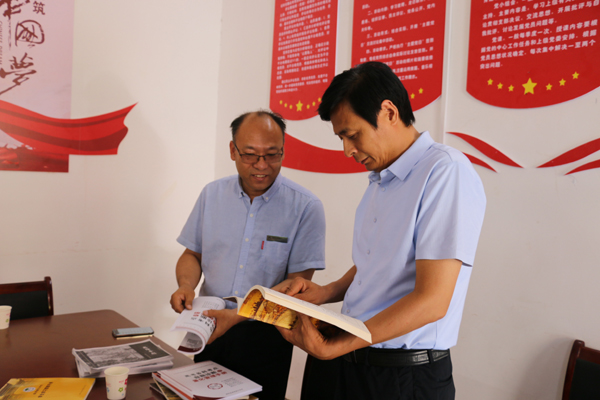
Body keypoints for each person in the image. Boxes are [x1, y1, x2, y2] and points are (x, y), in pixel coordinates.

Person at [276, 62, 486, 400]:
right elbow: (376, 263)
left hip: (402, 376)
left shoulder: (445, 172)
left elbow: (432, 301)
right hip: (353, 359)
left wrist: (338, 346)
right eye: (341, 138)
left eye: (352, 134)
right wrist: (326, 292)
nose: (347, 149)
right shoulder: (381, 180)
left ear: (389, 112)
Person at [170, 110, 326, 400]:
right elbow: (192, 254)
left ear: (283, 150)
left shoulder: (305, 207)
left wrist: (237, 315)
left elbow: (297, 287)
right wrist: (185, 285)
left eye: (272, 154)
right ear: (233, 150)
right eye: (250, 155)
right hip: (209, 325)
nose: (262, 165)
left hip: (267, 336)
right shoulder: (212, 195)